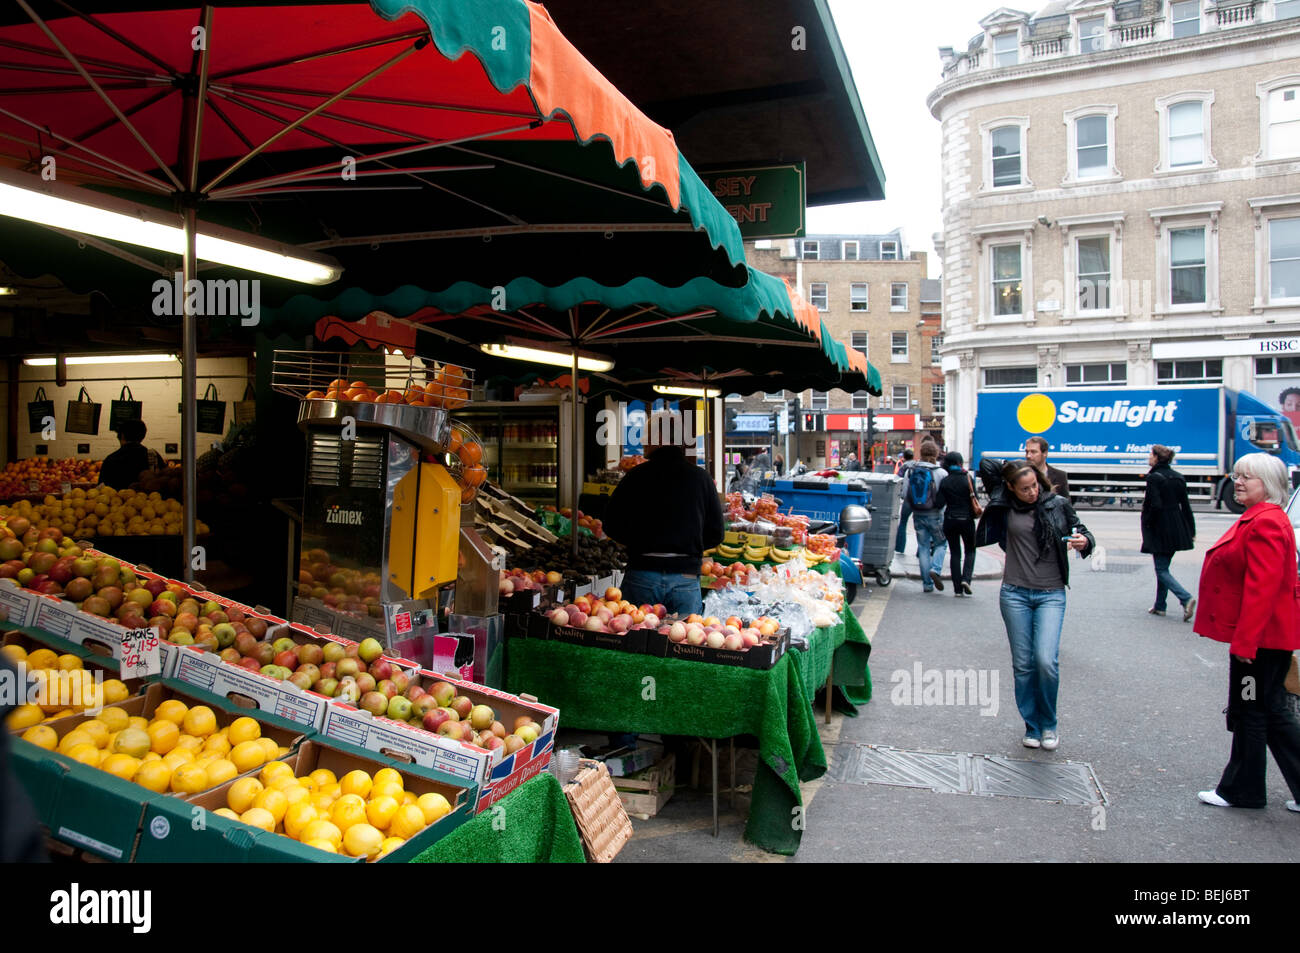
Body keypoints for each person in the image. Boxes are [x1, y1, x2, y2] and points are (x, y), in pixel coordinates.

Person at [1192, 453, 1300, 813]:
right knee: (1270, 713)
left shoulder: (1266, 522)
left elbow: (1262, 589)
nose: (1238, 482)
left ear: (1266, 485)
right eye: (1237, 476)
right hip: (1265, 641)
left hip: (1259, 644)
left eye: (1247, 478)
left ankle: (1243, 790)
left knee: (1251, 710)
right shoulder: (1265, 518)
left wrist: (1246, 643)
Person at [977, 459, 1095, 750]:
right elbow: (986, 465)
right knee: (1023, 665)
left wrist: (1084, 541)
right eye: (1024, 488)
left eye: (1034, 486)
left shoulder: (1057, 504)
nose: (1031, 493)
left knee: (1045, 661)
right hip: (1014, 593)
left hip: (1050, 594)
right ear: (1011, 489)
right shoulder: (1003, 505)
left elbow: (1084, 531)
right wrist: (1013, 468)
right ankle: (1032, 725)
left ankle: (1049, 724)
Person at [603, 409, 724, 617]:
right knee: (685, 645)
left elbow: (611, 524)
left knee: (636, 643)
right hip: (685, 577)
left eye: (646, 435)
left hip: (642, 573)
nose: (642, 441)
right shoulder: (701, 478)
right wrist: (689, 543)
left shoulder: (635, 477)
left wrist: (638, 541)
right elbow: (716, 534)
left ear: (659, 438)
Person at [1140, 445, 1196, 620]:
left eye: (1151, 454)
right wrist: (1191, 529)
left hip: (1160, 526)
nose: (1149, 457)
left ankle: (1185, 598)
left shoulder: (1154, 478)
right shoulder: (1178, 477)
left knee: (1161, 569)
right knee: (1163, 566)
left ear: (1156, 458)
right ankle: (1160, 605)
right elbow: (1186, 506)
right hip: (1177, 527)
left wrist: (1148, 523)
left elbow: (1154, 505)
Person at [908, 441, 948, 592]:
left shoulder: (911, 471)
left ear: (921, 453)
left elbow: (906, 493)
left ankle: (927, 584)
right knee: (941, 543)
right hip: (936, 515)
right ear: (936, 453)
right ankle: (936, 569)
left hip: (918, 514)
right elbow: (945, 496)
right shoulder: (941, 472)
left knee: (923, 547)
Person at [939, 450, 979, 596]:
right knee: (970, 550)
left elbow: (939, 503)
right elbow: (974, 499)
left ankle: (957, 588)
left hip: (950, 520)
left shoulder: (945, 481)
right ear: (960, 462)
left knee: (955, 553)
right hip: (966, 520)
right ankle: (966, 579)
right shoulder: (967, 479)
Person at [98, 418, 161, 490]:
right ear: (143, 436)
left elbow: (101, 489)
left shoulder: (110, 460)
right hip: (151, 500)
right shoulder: (153, 456)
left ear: (122, 435)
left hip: (118, 500)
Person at [1024, 436, 1071, 501]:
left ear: (1045, 453)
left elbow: (1066, 505)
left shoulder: (1060, 476)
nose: (1028, 456)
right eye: (1027, 452)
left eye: (1033, 452)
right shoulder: (1020, 475)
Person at [893, 448, 916, 556]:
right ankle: (921, 551)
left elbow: (897, 480)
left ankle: (900, 547)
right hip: (920, 499)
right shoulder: (918, 466)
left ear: (904, 458)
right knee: (921, 526)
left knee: (903, 522)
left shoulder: (904, 467)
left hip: (908, 499)